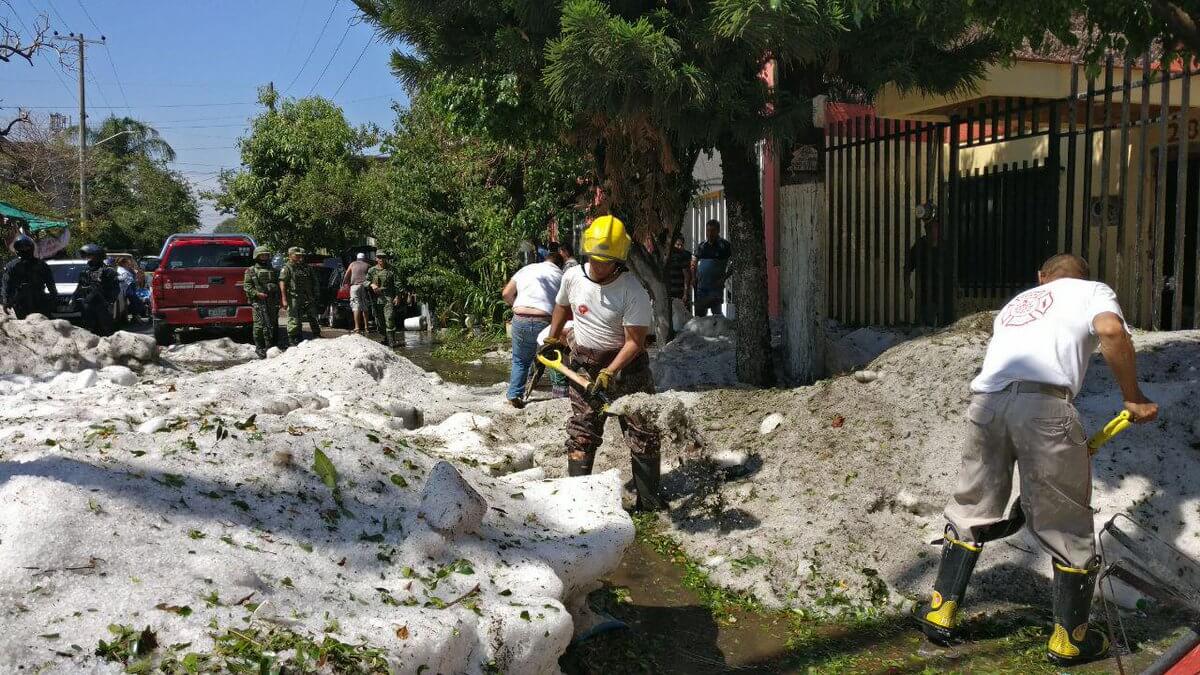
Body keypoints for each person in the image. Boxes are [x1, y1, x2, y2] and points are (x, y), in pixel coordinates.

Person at [915, 254, 1159, 666]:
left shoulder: (1018, 303)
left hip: (988, 406)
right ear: (1083, 277)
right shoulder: (1092, 291)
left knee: (972, 506)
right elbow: (1110, 330)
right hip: (1045, 408)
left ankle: (941, 611)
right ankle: (1070, 639)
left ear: (1042, 277)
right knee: (1065, 522)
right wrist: (1132, 397)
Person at [541, 215, 665, 511]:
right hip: (584, 365)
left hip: (628, 370)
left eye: (605, 261)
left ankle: (648, 502)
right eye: (594, 258)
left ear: (618, 260)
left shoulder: (632, 290)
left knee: (643, 431)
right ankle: (579, 499)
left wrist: (611, 371)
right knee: (582, 431)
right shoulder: (573, 277)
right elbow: (562, 306)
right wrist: (553, 337)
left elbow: (635, 342)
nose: (597, 265)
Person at [502, 246, 565, 408]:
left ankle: (514, 394)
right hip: (545, 319)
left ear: (545, 260)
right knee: (553, 357)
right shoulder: (561, 275)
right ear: (560, 264)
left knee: (520, 360)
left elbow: (506, 294)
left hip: (520, 317)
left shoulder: (526, 269)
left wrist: (517, 306)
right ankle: (560, 395)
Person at [905, 202, 942, 326]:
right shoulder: (920, 246)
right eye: (929, 228)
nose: (933, 231)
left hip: (944, 296)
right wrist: (907, 287)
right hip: (927, 297)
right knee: (928, 328)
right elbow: (907, 267)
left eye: (935, 227)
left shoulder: (945, 245)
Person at [1, 235, 56, 319]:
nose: (24, 250)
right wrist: (6, 301)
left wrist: (54, 296)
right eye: (21, 248)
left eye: (26, 247)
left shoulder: (41, 265)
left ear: (31, 248)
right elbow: (7, 284)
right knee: (24, 324)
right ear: (17, 249)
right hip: (21, 302)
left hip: (39, 300)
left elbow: (50, 282)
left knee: (43, 323)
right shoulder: (12, 266)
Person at [73, 243, 120, 336]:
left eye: (90, 256)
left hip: (102, 305)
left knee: (105, 331)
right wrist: (76, 300)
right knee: (88, 332)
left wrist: (109, 301)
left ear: (98, 256)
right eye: (87, 256)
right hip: (88, 306)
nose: (88, 258)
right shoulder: (85, 271)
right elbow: (80, 287)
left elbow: (115, 289)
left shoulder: (108, 271)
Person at [243, 245, 281, 359]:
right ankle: (260, 347)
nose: (264, 257)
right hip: (259, 302)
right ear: (257, 256)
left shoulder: (273, 270)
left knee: (273, 323)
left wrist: (277, 295)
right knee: (259, 325)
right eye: (262, 255)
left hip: (272, 301)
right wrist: (257, 294)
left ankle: (272, 345)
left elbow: (279, 284)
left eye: (266, 255)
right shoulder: (251, 271)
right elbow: (247, 286)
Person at [278, 246, 321, 346]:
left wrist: (315, 294)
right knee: (294, 318)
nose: (299, 257)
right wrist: (284, 299)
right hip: (294, 297)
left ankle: (316, 335)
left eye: (300, 255)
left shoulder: (305, 267)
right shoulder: (287, 268)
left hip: (307, 297)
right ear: (290, 255)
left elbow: (313, 281)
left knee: (312, 316)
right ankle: (293, 339)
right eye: (296, 255)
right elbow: (282, 283)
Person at [692, 219, 731, 317]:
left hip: (715, 287)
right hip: (701, 286)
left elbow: (736, 262)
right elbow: (694, 261)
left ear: (718, 231)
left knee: (716, 315)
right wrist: (693, 277)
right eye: (708, 230)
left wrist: (724, 278)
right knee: (699, 315)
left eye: (713, 230)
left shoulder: (724, 246)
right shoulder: (702, 246)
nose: (710, 233)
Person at [366, 250, 402, 348]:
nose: (381, 259)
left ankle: (391, 340)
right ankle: (386, 338)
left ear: (386, 258)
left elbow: (398, 284)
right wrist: (371, 284)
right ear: (376, 258)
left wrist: (398, 296)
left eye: (383, 257)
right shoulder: (372, 270)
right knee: (379, 320)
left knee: (389, 317)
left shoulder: (392, 270)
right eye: (379, 257)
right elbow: (365, 281)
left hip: (388, 296)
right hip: (376, 298)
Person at [342, 251, 372, 334]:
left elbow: (347, 275)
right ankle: (366, 328)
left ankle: (357, 327)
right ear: (364, 258)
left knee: (356, 306)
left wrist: (344, 284)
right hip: (365, 287)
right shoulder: (368, 265)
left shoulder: (352, 264)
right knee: (365, 307)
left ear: (357, 258)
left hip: (354, 287)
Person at [667, 234, 692, 310]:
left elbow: (687, 276)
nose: (680, 247)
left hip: (680, 292)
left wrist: (685, 293)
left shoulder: (684, 255)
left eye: (681, 245)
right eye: (678, 245)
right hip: (669, 291)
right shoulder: (667, 256)